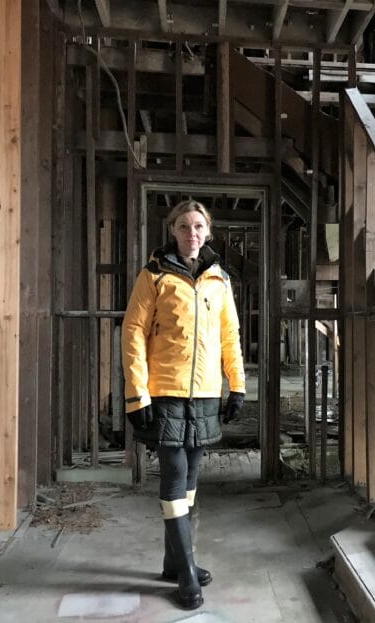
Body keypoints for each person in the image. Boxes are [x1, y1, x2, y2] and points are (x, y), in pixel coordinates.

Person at [121, 199, 245, 610]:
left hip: (206, 392)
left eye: (198, 226)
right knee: (174, 473)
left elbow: (230, 335)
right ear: (171, 230)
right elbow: (134, 333)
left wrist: (237, 385)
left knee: (192, 475)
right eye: (183, 226)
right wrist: (136, 393)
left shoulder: (219, 279)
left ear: (207, 232)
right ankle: (187, 572)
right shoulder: (153, 274)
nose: (191, 233)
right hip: (166, 390)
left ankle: (173, 561)